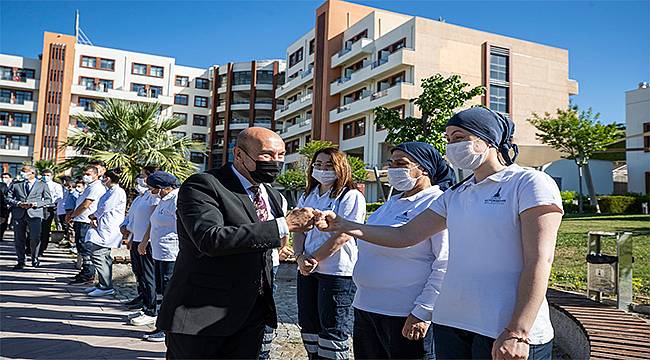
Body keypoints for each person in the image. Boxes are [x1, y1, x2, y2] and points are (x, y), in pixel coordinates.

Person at [316, 107, 563, 360]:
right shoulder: (456, 194)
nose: (451, 146)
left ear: (488, 139)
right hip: (453, 323)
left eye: (459, 138)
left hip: (503, 327)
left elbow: (539, 260)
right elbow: (404, 236)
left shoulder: (529, 183)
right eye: (448, 140)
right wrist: (344, 225)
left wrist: (518, 331)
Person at [156, 127, 317, 359]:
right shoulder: (204, 185)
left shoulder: (269, 194)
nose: (276, 162)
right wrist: (284, 225)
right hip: (201, 315)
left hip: (250, 316)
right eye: (267, 155)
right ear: (239, 154)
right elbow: (210, 238)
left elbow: (262, 241)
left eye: (281, 155)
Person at [352, 142, 453, 359]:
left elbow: (445, 263)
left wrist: (423, 311)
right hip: (366, 307)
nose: (393, 170)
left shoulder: (437, 204)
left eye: (401, 164)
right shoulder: (390, 204)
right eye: (390, 164)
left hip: (404, 313)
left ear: (424, 168)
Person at [292, 147, 366, 360]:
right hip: (306, 270)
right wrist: (300, 257)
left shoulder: (350, 196)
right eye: (318, 165)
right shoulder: (308, 195)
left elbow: (344, 235)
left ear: (340, 168)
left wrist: (314, 259)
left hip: (336, 272)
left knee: (333, 328)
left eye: (329, 165)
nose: (323, 169)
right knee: (308, 324)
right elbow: (298, 227)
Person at [133, 171, 179, 341]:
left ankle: (167, 330)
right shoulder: (163, 200)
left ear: (162, 188)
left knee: (168, 293)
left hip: (171, 254)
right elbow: (153, 222)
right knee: (162, 292)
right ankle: (161, 325)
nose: (150, 191)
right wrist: (145, 241)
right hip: (159, 253)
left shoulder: (175, 200)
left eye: (152, 188)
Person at [120, 166, 159, 315]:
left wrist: (143, 240)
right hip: (135, 238)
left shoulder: (154, 197)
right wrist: (126, 230)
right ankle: (143, 298)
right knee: (139, 272)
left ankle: (150, 306)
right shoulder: (141, 196)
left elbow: (153, 220)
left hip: (146, 241)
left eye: (142, 176)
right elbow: (133, 217)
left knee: (149, 275)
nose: (139, 178)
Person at [83, 170, 127, 297]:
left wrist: (93, 215)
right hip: (103, 227)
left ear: (108, 178)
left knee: (98, 254)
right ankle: (103, 283)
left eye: (103, 177)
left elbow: (105, 207)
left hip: (110, 229)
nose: (101, 179)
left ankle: (105, 286)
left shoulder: (117, 192)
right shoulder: (110, 191)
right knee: (102, 256)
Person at [66, 165, 106, 285]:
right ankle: (85, 271)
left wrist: (72, 215)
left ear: (96, 174)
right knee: (81, 247)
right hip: (81, 219)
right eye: (84, 173)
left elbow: (86, 204)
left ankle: (89, 273)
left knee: (85, 248)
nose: (85, 176)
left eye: (88, 174)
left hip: (86, 221)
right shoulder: (89, 186)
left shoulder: (97, 187)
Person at [6, 165, 52, 269]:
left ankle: (34, 258)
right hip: (19, 214)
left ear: (32, 173)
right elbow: (8, 198)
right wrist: (18, 203)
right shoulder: (16, 184)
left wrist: (36, 204)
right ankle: (21, 260)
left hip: (35, 214)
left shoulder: (42, 184)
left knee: (35, 238)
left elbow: (48, 200)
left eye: (24, 171)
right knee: (19, 238)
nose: (22, 173)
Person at [40, 169, 63, 256]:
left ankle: (42, 248)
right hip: (37, 208)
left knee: (45, 229)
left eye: (48, 175)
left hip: (48, 208)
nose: (46, 177)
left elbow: (59, 197)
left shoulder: (56, 186)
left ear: (52, 176)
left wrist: (48, 201)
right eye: (44, 175)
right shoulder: (38, 184)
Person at [56, 176, 74, 246]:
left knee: (68, 226)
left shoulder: (69, 190)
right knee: (64, 226)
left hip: (66, 210)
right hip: (61, 210)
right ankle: (67, 239)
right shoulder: (61, 188)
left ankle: (70, 241)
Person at [0, 173, 10, 242]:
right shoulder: (1, 185)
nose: (4, 179)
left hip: (11, 206)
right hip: (3, 206)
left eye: (6, 177)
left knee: (4, 221)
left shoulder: (14, 184)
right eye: (3, 177)